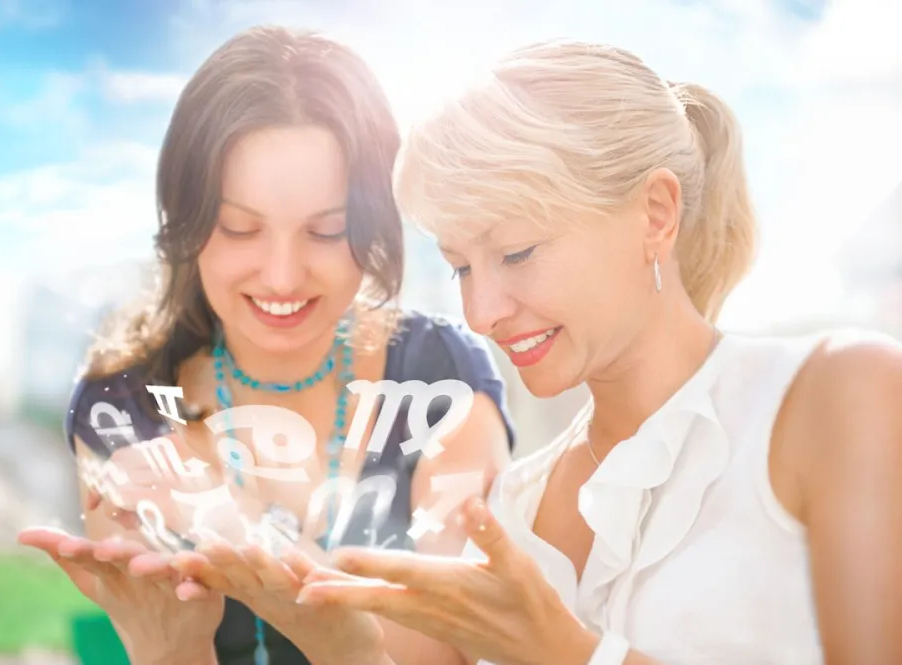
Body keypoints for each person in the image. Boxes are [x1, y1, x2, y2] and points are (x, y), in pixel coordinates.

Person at [293, 39, 902, 665]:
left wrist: (569, 653)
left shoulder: (839, 396)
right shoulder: (515, 506)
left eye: (516, 253)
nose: (481, 314)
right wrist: (341, 647)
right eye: (460, 269)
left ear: (656, 213)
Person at [19, 26, 514, 665]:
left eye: (327, 231)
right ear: (187, 221)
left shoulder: (439, 382)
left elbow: (451, 651)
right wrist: (172, 646)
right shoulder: (127, 405)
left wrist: (236, 526)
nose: (282, 276)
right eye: (240, 228)